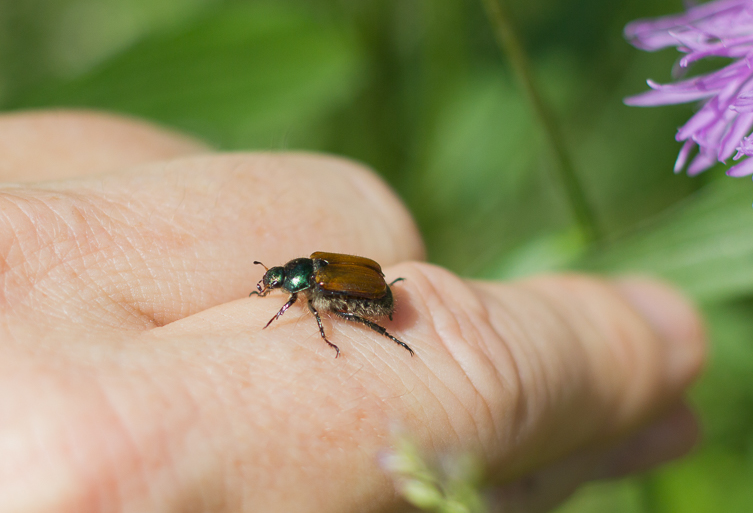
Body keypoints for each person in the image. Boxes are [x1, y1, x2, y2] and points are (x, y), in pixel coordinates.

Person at [0, 110, 704, 513]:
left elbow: (341, 297)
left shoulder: (318, 290)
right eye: (281, 285)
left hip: (377, 292)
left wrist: (340, 324)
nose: (281, 288)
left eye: (282, 284)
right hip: (372, 282)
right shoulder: (299, 278)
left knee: (349, 311)